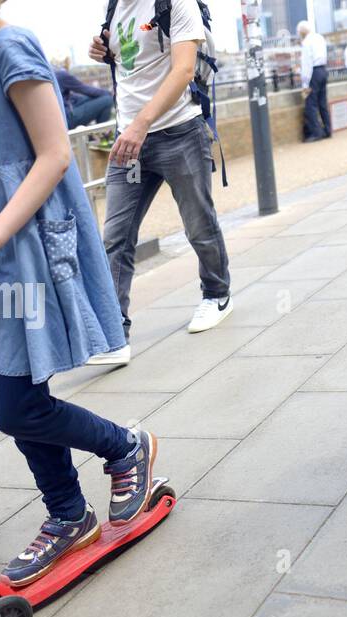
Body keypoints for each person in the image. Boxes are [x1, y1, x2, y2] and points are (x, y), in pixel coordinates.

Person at [0, 0, 164, 586]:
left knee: (17, 405)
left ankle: (123, 447)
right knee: (18, 391)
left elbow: (55, 152)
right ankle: (67, 512)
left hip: (21, 251)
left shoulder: (10, 48)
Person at [86, 0, 233, 365]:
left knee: (198, 224)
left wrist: (141, 124)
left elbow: (183, 71)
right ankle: (113, 333)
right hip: (130, 140)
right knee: (115, 238)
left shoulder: (175, 3)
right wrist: (102, 52)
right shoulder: (114, 7)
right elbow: (131, 66)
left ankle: (217, 294)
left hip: (178, 133)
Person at [297, 20, 330, 141]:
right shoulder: (320, 38)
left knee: (310, 104)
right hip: (323, 70)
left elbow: (307, 64)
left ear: (302, 31)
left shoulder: (306, 42)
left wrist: (305, 83)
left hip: (314, 73)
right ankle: (327, 129)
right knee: (322, 103)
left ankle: (317, 133)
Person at [55, 63, 113, 129]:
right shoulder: (61, 75)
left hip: (60, 120)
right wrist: (109, 93)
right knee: (107, 100)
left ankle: (95, 134)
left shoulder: (53, 76)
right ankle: (102, 134)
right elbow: (85, 89)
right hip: (66, 120)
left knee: (93, 97)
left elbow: (73, 97)